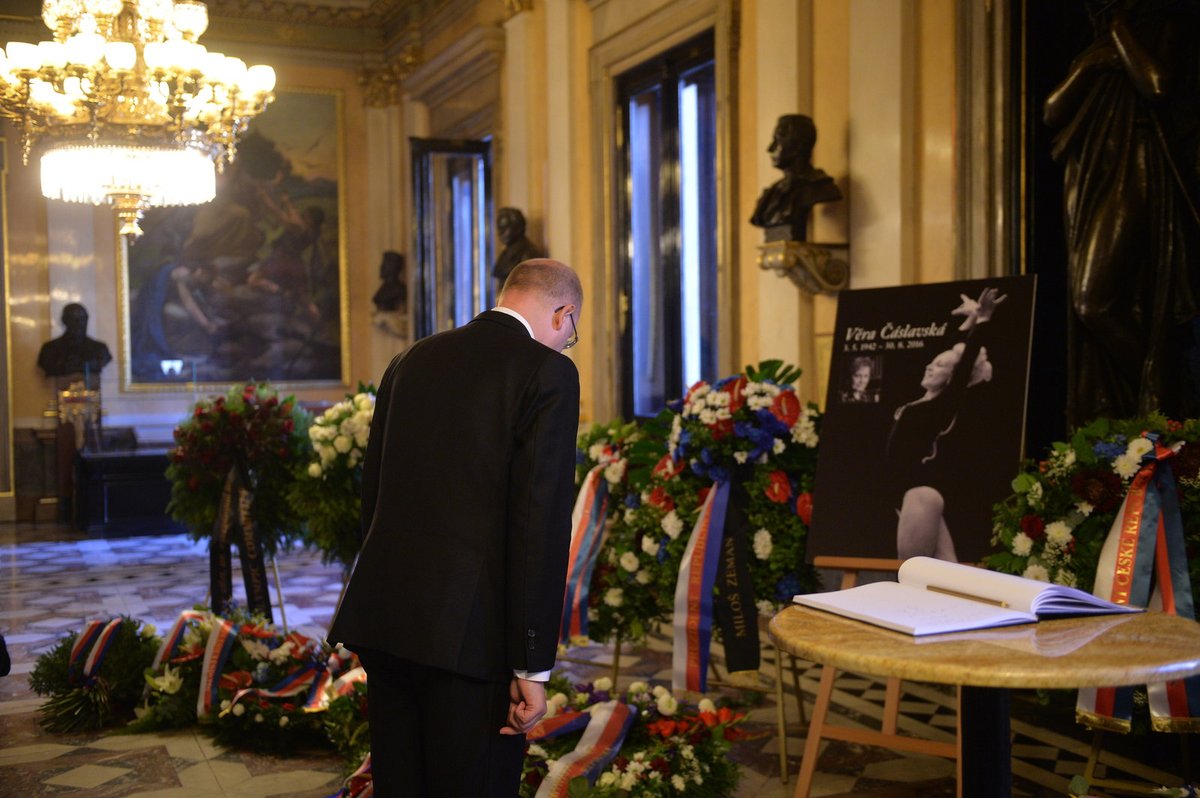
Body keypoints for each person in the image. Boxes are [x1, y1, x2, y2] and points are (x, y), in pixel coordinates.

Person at [327, 258, 582, 797]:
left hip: (387, 621)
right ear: (562, 314)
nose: (567, 344)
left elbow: (373, 496)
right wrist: (532, 667)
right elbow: (539, 527)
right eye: (572, 332)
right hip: (473, 640)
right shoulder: (548, 372)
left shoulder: (410, 360)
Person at [1044, 0, 1200, 424]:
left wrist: (1119, 29)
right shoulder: (1093, 50)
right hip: (1089, 174)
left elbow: (1157, 84)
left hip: (1137, 167)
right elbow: (1051, 112)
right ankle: (1153, 395)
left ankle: (1164, 386)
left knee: (1093, 300)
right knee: (1098, 303)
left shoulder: (1161, 25)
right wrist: (1089, 66)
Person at [885, 287, 1005, 561]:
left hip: (919, 493)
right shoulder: (920, 400)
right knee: (947, 570)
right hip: (907, 495)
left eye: (938, 366)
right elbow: (951, 352)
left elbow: (960, 368)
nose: (929, 366)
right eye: (932, 362)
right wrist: (970, 319)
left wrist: (984, 320)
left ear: (950, 379)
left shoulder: (943, 404)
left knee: (915, 576)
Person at [749, 114, 843, 242]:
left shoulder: (819, 187)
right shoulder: (771, 193)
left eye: (778, 140)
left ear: (799, 145)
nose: (770, 148)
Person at [37, 303, 113, 379]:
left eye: (83, 319)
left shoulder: (100, 348)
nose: (80, 324)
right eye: (74, 319)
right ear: (64, 321)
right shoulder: (49, 348)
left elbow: (102, 361)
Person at [492, 207, 543, 290]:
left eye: (505, 228)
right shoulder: (506, 252)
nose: (500, 233)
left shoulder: (528, 252)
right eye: (499, 228)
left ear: (518, 228)